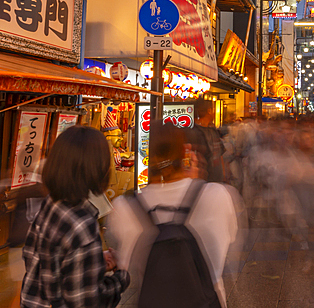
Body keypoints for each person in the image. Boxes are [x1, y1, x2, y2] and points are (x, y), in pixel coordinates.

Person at [109, 124, 240, 308]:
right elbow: (230, 241)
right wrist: (196, 183)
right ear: (186, 153)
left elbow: (126, 265)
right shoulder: (218, 196)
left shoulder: (125, 207)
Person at [21, 126, 130, 308]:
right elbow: (87, 301)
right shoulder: (81, 223)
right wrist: (122, 276)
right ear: (97, 168)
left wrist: (93, 261)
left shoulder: (51, 204)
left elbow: (43, 264)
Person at [188, 99, 225, 182]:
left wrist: (224, 175)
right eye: (214, 110)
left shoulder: (213, 131)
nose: (215, 112)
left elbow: (220, 154)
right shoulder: (193, 132)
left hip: (216, 179)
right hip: (203, 181)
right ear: (209, 111)